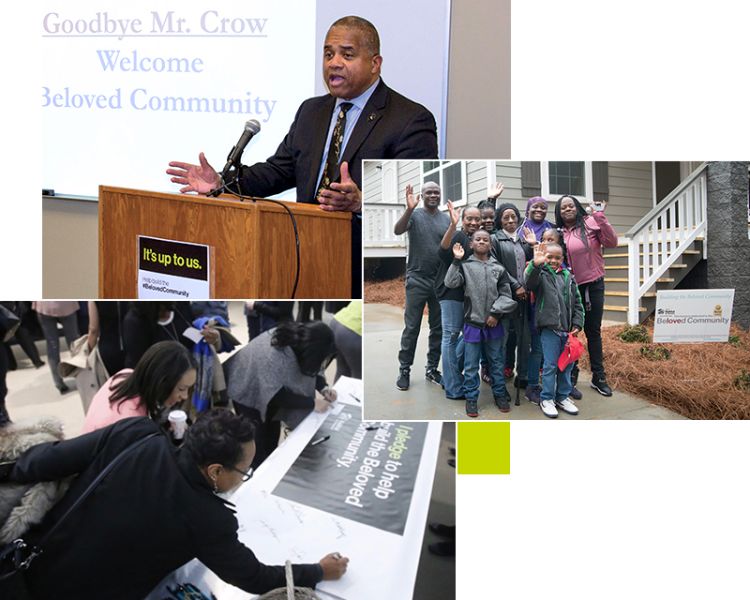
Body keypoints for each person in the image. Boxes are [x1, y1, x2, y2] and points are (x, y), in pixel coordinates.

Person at [166, 16, 439, 297]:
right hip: (304, 259)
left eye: (347, 54)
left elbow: (417, 206)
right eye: (328, 53)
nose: (334, 62)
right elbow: (276, 172)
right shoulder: (312, 112)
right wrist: (222, 183)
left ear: (374, 63)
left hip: (366, 272)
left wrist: (360, 202)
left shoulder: (410, 120)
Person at [2, 410, 348, 599]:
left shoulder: (136, 434)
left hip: (27, 566)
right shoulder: (207, 519)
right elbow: (254, 578)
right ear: (216, 471)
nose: (244, 478)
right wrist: (318, 571)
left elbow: (43, 462)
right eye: (245, 471)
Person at [225, 321, 337, 467]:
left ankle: (270, 463)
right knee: (256, 442)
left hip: (267, 382)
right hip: (246, 387)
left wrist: (323, 387)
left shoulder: (304, 341)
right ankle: (258, 475)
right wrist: (313, 403)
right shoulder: (276, 355)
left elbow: (311, 368)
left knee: (272, 434)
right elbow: (277, 396)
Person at [444, 229, 517, 417]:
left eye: (485, 239)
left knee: (496, 361)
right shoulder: (465, 265)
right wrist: (456, 260)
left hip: (493, 323)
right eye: (478, 239)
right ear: (471, 244)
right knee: (470, 365)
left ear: (490, 245)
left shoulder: (498, 268)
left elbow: (506, 295)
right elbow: (450, 283)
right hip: (473, 324)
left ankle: (500, 394)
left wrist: (495, 313)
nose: (482, 242)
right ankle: (471, 398)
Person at [555, 194, 618, 396]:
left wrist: (600, 216)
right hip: (569, 288)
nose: (567, 209)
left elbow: (612, 241)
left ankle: (598, 377)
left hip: (593, 286)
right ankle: (571, 375)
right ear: (559, 212)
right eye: (563, 207)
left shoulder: (590, 223)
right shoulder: (558, 233)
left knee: (593, 332)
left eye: (570, 205)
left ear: (577, 207)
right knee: (572, 332)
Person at [393, 182, 449, 391]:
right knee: (412, 327)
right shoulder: (415, 215)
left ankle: (432, 369)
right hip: (417, 279)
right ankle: (404, 369)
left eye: (436, 192)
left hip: (439, 281)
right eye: (429, 192)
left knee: (438, 328)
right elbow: (398, 230)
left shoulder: (445, 219)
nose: (433, 195)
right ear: (422, 195)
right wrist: (408, 209)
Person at [82, 341, 197, 434]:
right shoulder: (132, 424)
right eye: (181, 389)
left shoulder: (124, 376)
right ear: (161, 381)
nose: (185, 396)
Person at [524, 242, 585, 419]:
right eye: (549, 257)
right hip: (550, 330)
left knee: (567, 365)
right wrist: (536, 264)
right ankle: (547, 398)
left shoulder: (569, 277)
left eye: (557, 258)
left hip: (567, 331)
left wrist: (577, 323)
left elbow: (578, 303)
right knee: (550, 366)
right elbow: (528, 282)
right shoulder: (540, 274)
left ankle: (562, 396)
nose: (553, 261)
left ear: (562, 259)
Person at [435, 201, 482, 400]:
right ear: (463, 220)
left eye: (476, 219)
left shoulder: (478, 239)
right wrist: (453, 225)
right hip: (450, 293)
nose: (473, 222)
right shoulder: (458, 235)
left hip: (468, 296)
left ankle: (450, 377)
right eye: (469, 219)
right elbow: (442, 250)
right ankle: (453, 388)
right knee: (451, 337)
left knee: (464, 336)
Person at [491, 203, 535, 387]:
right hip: (505, 297)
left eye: (513, 216)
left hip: (524, 299)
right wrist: (515, 285)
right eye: (505, 217)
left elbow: (534, 263)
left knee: (524, 340)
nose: (510, 220)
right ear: (500, 220)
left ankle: (522, 375)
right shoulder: (495, 239)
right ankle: (498, 380)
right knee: (502, 341)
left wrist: (533, 245)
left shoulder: (524, 239)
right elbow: (496, 266)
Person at [33, 301, 81, 394]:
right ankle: (80, 376)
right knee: (74, 344)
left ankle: (59, 383)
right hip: (67, 304)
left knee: (52, 345)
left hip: (44, 306)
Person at [330, 300, 362, 380]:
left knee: (342, 371)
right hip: (352, 331)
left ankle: (336, 392)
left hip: (338, 321)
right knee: (358, 378)